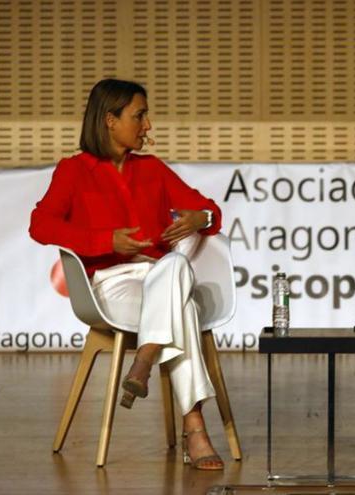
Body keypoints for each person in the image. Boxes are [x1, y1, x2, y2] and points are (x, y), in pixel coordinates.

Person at [29, 79, 225, 470]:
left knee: (175, 265)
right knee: (181, 308)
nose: (147, 125)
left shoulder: (152, 169)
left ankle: (147, 355)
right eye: (139, 116)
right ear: (109, 120)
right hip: (110, 285)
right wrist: (105, 240)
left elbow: (210, 212)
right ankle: (195, 425)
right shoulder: (73, 171)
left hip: (159, 276)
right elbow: (41, 226)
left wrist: (197, 218)